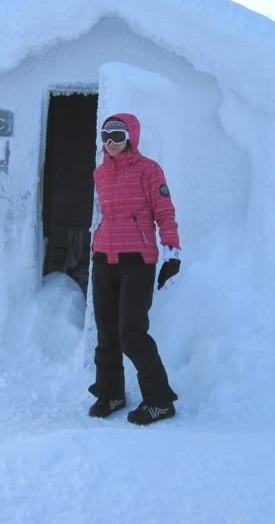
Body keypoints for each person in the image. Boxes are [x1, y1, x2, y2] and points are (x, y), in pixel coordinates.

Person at [88, 113, 181, 425]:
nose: (111, 143)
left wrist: (172, 253)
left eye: (117, 135)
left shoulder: (149, 170)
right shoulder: (100, 174)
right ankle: (111, 392)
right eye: (105, 136)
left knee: (132, 333)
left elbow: (164, 212)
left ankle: (160, 401)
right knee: (106, 331)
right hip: (103, 257)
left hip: (138, 261)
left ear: (132, 136)